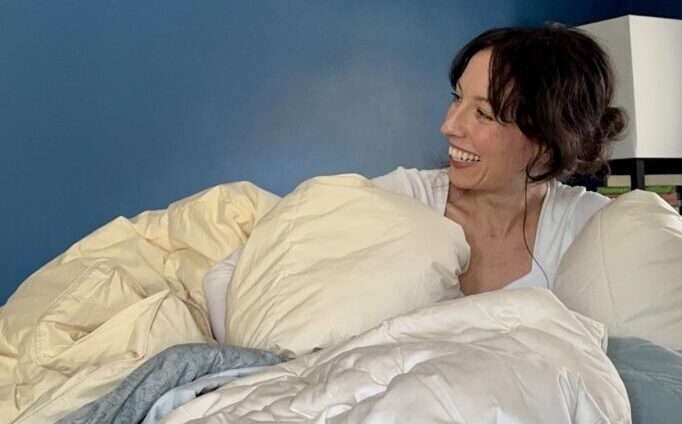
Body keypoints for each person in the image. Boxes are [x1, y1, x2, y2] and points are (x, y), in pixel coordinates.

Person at [203, 24, 627, 341]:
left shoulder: (592, 228)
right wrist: (266, 372)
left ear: (546, 140)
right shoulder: (402, 201)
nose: (448, 126)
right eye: (457, 98)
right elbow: (229, 275)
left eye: (482, 113)